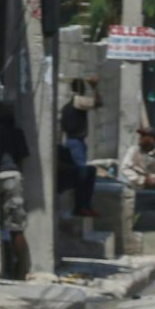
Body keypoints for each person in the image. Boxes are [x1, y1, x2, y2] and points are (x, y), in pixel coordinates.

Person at [0, 111, 32, 280]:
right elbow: (23, 158)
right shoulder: (18, 132)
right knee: (16, 228)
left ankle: (3, 268)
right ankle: (21, 271)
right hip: (13, 176)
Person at [60, 79, 99, 217]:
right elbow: (98, 103)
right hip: (76, 143)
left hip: (72, 141)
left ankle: (83, 206)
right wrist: (94, 88)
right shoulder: (78, 102)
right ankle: (81, 206)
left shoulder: (66, 107)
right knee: (82, 174)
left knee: (85, 173)